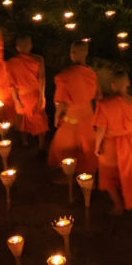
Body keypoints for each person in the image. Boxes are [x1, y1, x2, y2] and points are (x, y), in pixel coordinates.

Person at [48, 40, 100, 174]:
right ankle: (89, 174)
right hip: (87, 115)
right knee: (87, 146)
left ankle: (70, 176)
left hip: (71, 117)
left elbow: (61, 102)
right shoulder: (90, 73)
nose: (71, 54)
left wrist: (56, 116)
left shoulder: (65, 75)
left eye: (72, 52)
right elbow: (96, 95)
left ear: (74, 54)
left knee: (64, 147)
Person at [93, 69, 132, 214]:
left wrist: (96, 146)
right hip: (129, 142)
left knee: (108, 174)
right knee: (126, 172)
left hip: (111, 144)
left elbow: (100, 129)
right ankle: (128, 200)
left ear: (113, 85)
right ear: (127, 83)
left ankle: (118, 204)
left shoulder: (105, 104)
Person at [6, 36, 49, 148]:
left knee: (23, 119)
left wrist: (16, 100)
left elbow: (11, 84)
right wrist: (42, 96)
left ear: (17, 48)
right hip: (34, 94)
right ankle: (40, 145)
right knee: (37, 119)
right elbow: (42, 78)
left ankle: (26, 142)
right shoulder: (38, 59)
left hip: (23, 95)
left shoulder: (11, 63)